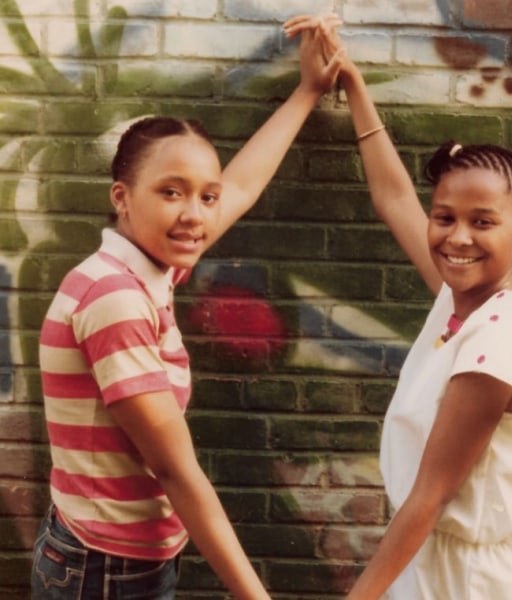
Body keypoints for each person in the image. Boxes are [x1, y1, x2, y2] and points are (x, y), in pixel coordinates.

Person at [30, 21, 343, 600]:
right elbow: (177, 471)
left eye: (205, 194)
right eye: (171, 192)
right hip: (104, 572)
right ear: (121, 197)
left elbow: (242, 185)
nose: (195, 214)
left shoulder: (145, 267)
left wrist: (307, 91)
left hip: (110, 555)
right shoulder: (117, 299)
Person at [284, 16, 512, 600]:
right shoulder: (468, 298)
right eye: (445, 217)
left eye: (483, 222)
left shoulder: (499, 343)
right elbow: (393, 197)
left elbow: (431, 494)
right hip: (435, 566)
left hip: (470, 583)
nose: (456, 237)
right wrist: (353, 87)